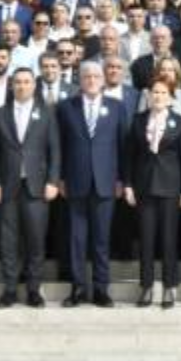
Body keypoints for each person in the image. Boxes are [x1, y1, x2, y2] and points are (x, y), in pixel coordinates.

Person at [0, 68, 61, 308]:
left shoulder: (47, 113)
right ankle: (9, 290)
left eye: (27, 82)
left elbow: (55, 151)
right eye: (17, 82)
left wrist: (52, 181)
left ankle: (33, 290)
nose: (22, 86)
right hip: (7, 187)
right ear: (11, 85)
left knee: (36, 240)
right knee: (8, 241)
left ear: (34, 85)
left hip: (37, 187)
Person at [57, 61, 126, 308]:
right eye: (87, 75)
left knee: (101, 240)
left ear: (104, 79)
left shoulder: (116, 107)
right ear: (80, 79)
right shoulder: (65, 108)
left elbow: (122, 147)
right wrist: (60, 178)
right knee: (76, 239)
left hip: (106, 182)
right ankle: (77, 288)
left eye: (96, 75)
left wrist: (122, 179)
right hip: (75, 182)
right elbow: (59, 146)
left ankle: (100, 289)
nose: (92, 79)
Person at [124, 79, 181, 308]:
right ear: (148, 95)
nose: (159, 96)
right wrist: (128, 185)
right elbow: (130, 156)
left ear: (171, 97)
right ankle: (146, 287)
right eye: (155, 92)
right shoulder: (137, 121)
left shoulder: (180, 123)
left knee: (168, 240)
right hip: (143, 188)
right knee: (146, 239)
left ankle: (169, 288)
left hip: (171, 189)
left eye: (163, 92)